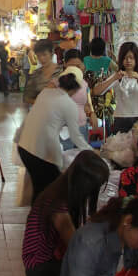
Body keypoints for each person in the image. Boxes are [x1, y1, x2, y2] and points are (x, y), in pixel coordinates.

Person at [21, 151, 109, 276]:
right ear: (84, 184)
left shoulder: (59, 192)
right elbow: (74, 244)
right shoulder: (58, 205)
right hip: (40, 269)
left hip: (42, 264)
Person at [16, 73, 93, 202]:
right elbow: (76, 136)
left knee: (40, 187)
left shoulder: (45, 93)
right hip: (40, 152)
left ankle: (36, 218)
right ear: (74, 90)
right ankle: (41, 218)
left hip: (24, 147)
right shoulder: (69, 104)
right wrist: (90, 151)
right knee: (53, 188)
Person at [93, 41, 138, 133]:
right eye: (125, 58)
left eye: (131, 58)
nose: (128, 61)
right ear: (121, 60)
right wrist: (114, 78)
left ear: (136, 59)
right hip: (120, 119)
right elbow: (96, 92)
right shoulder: (117, 76)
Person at [22, 39, 60, 105]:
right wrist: (41, 103)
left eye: (44, 55)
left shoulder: (61, 72)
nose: (41, 58)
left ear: (51, 53)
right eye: (38, 56)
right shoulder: (36, 74)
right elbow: (27, 98)